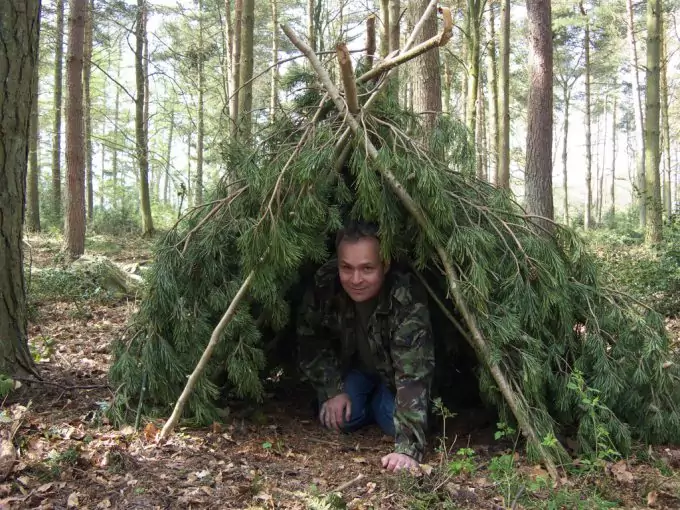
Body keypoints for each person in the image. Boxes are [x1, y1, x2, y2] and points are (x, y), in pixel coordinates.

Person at [297, 221, 435, 472]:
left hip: (393, 376)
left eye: (367, 268)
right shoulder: (326, 283)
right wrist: (332, 389)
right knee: (340, 419)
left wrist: (407, 449)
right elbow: (310, 339)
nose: (356, 279)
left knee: (392, 422)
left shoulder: (405, 295)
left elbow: (414, 372)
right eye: (346, 268)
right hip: (355, 370)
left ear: (386, 264)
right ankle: (362, 397)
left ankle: (379, 400)